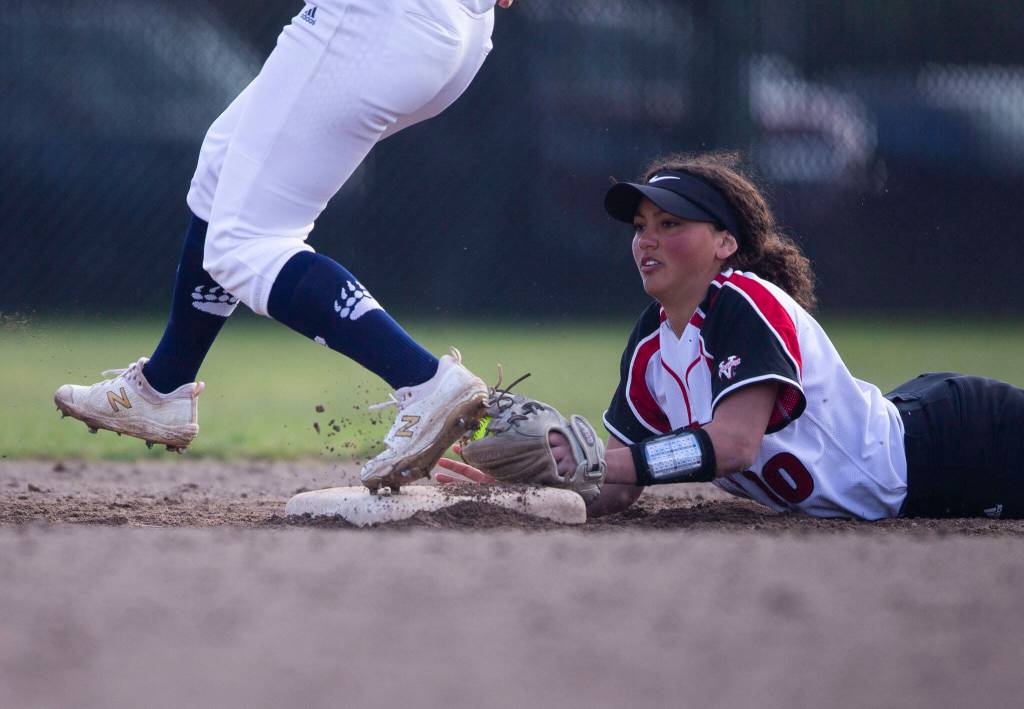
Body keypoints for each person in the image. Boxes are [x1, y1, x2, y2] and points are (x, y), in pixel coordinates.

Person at [53, 0, 515, 493]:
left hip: (378, 21)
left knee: (246, 243)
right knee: (224, 162)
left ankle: (426, 383)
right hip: (452, 29)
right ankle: (164, 386)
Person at [439, 151, 1024, 520]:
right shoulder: (650, 347)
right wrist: (526, 481)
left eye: (671, 224)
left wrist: (594, 461)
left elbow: (734, 445)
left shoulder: (743, 301)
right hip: (911, 482)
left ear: (725, 244)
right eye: (641, 227)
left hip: (959, 442)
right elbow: (618, 486)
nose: (647, 240)